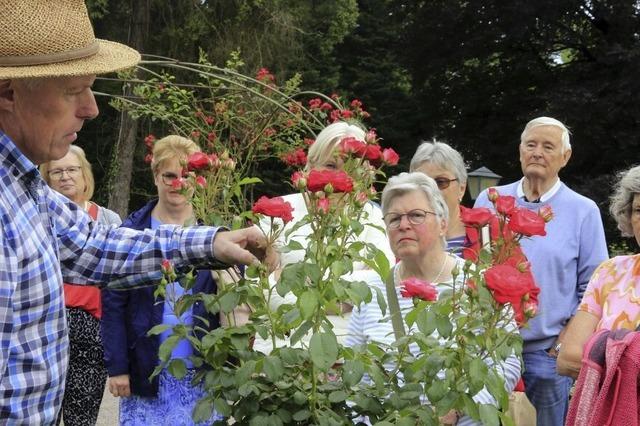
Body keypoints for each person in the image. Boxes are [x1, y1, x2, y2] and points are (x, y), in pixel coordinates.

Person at [0, 2, 267, 423]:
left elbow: (93, 243)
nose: (91, 108)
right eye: (74, 90)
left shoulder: (22, 182)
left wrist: (213, 242)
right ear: (8, 92)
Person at [345, 172, 520, 425]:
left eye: (416, 215)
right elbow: (355, 372)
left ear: (442, 224)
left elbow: (505, 363)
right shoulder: (371, 289)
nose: (403, 225)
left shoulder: (478, 284)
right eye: (394, 219)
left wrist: (455, 410)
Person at [473, 116, 608, 426]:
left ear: (565, 157)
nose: (537, 152)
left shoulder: (583, 211)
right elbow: (475, 266)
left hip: (546, 352)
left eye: (548, 146)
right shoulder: (491, 200)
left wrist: (563, 343)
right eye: (530, 144)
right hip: (489, 346)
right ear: (519, 151)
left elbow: (594, 287)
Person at [102, 135, 222, 425]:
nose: (177, 183)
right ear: (156, 175)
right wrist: (117, 367)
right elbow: (113, 303)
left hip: (201, 369)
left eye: (185, 176)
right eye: (169, 175)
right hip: (147, 367)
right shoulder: (131, 231)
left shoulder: (215, 232)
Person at [252, 121, 395, 353]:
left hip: (348, 354)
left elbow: (379, 283)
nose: (339, 175)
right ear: (310, 165)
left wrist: (300, 281)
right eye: (330, 164)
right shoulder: (279, 213)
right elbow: (260, 292)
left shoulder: (370, 218)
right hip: (281, 351)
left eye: (349, 166)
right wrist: (342, 297)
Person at [40, 146, 122, 425]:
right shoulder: (38, 219)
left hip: (93, 327)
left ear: (84, 174)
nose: (65, 177)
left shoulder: (109, 220)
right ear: (46, 179)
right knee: (40, 412)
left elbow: (118, 281)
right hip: (47, 325)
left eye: (72, 169)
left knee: (81, 417)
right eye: (57, 171)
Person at [557, 165, 640, 378]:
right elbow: (568, 358)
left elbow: (582, 357)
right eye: (639, 210)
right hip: (608, 409)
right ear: (628, 216)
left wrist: (602, 353)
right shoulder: (611, 272)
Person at [409, 139, 468, 252]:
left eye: (441, 182)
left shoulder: (489, 232)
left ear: (461, 188)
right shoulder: (402, 231)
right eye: (423, 183)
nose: (431, 190)